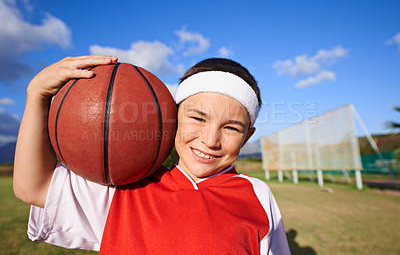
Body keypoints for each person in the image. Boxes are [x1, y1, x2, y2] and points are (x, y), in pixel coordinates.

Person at [14, 55, 291, 254]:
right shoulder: (127, 188)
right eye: (197, 118)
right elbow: (32, 186)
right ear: (172, 118)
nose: (210, 140)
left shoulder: (257, 195)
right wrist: (37, 94)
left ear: (248, 136)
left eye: (231, 127)